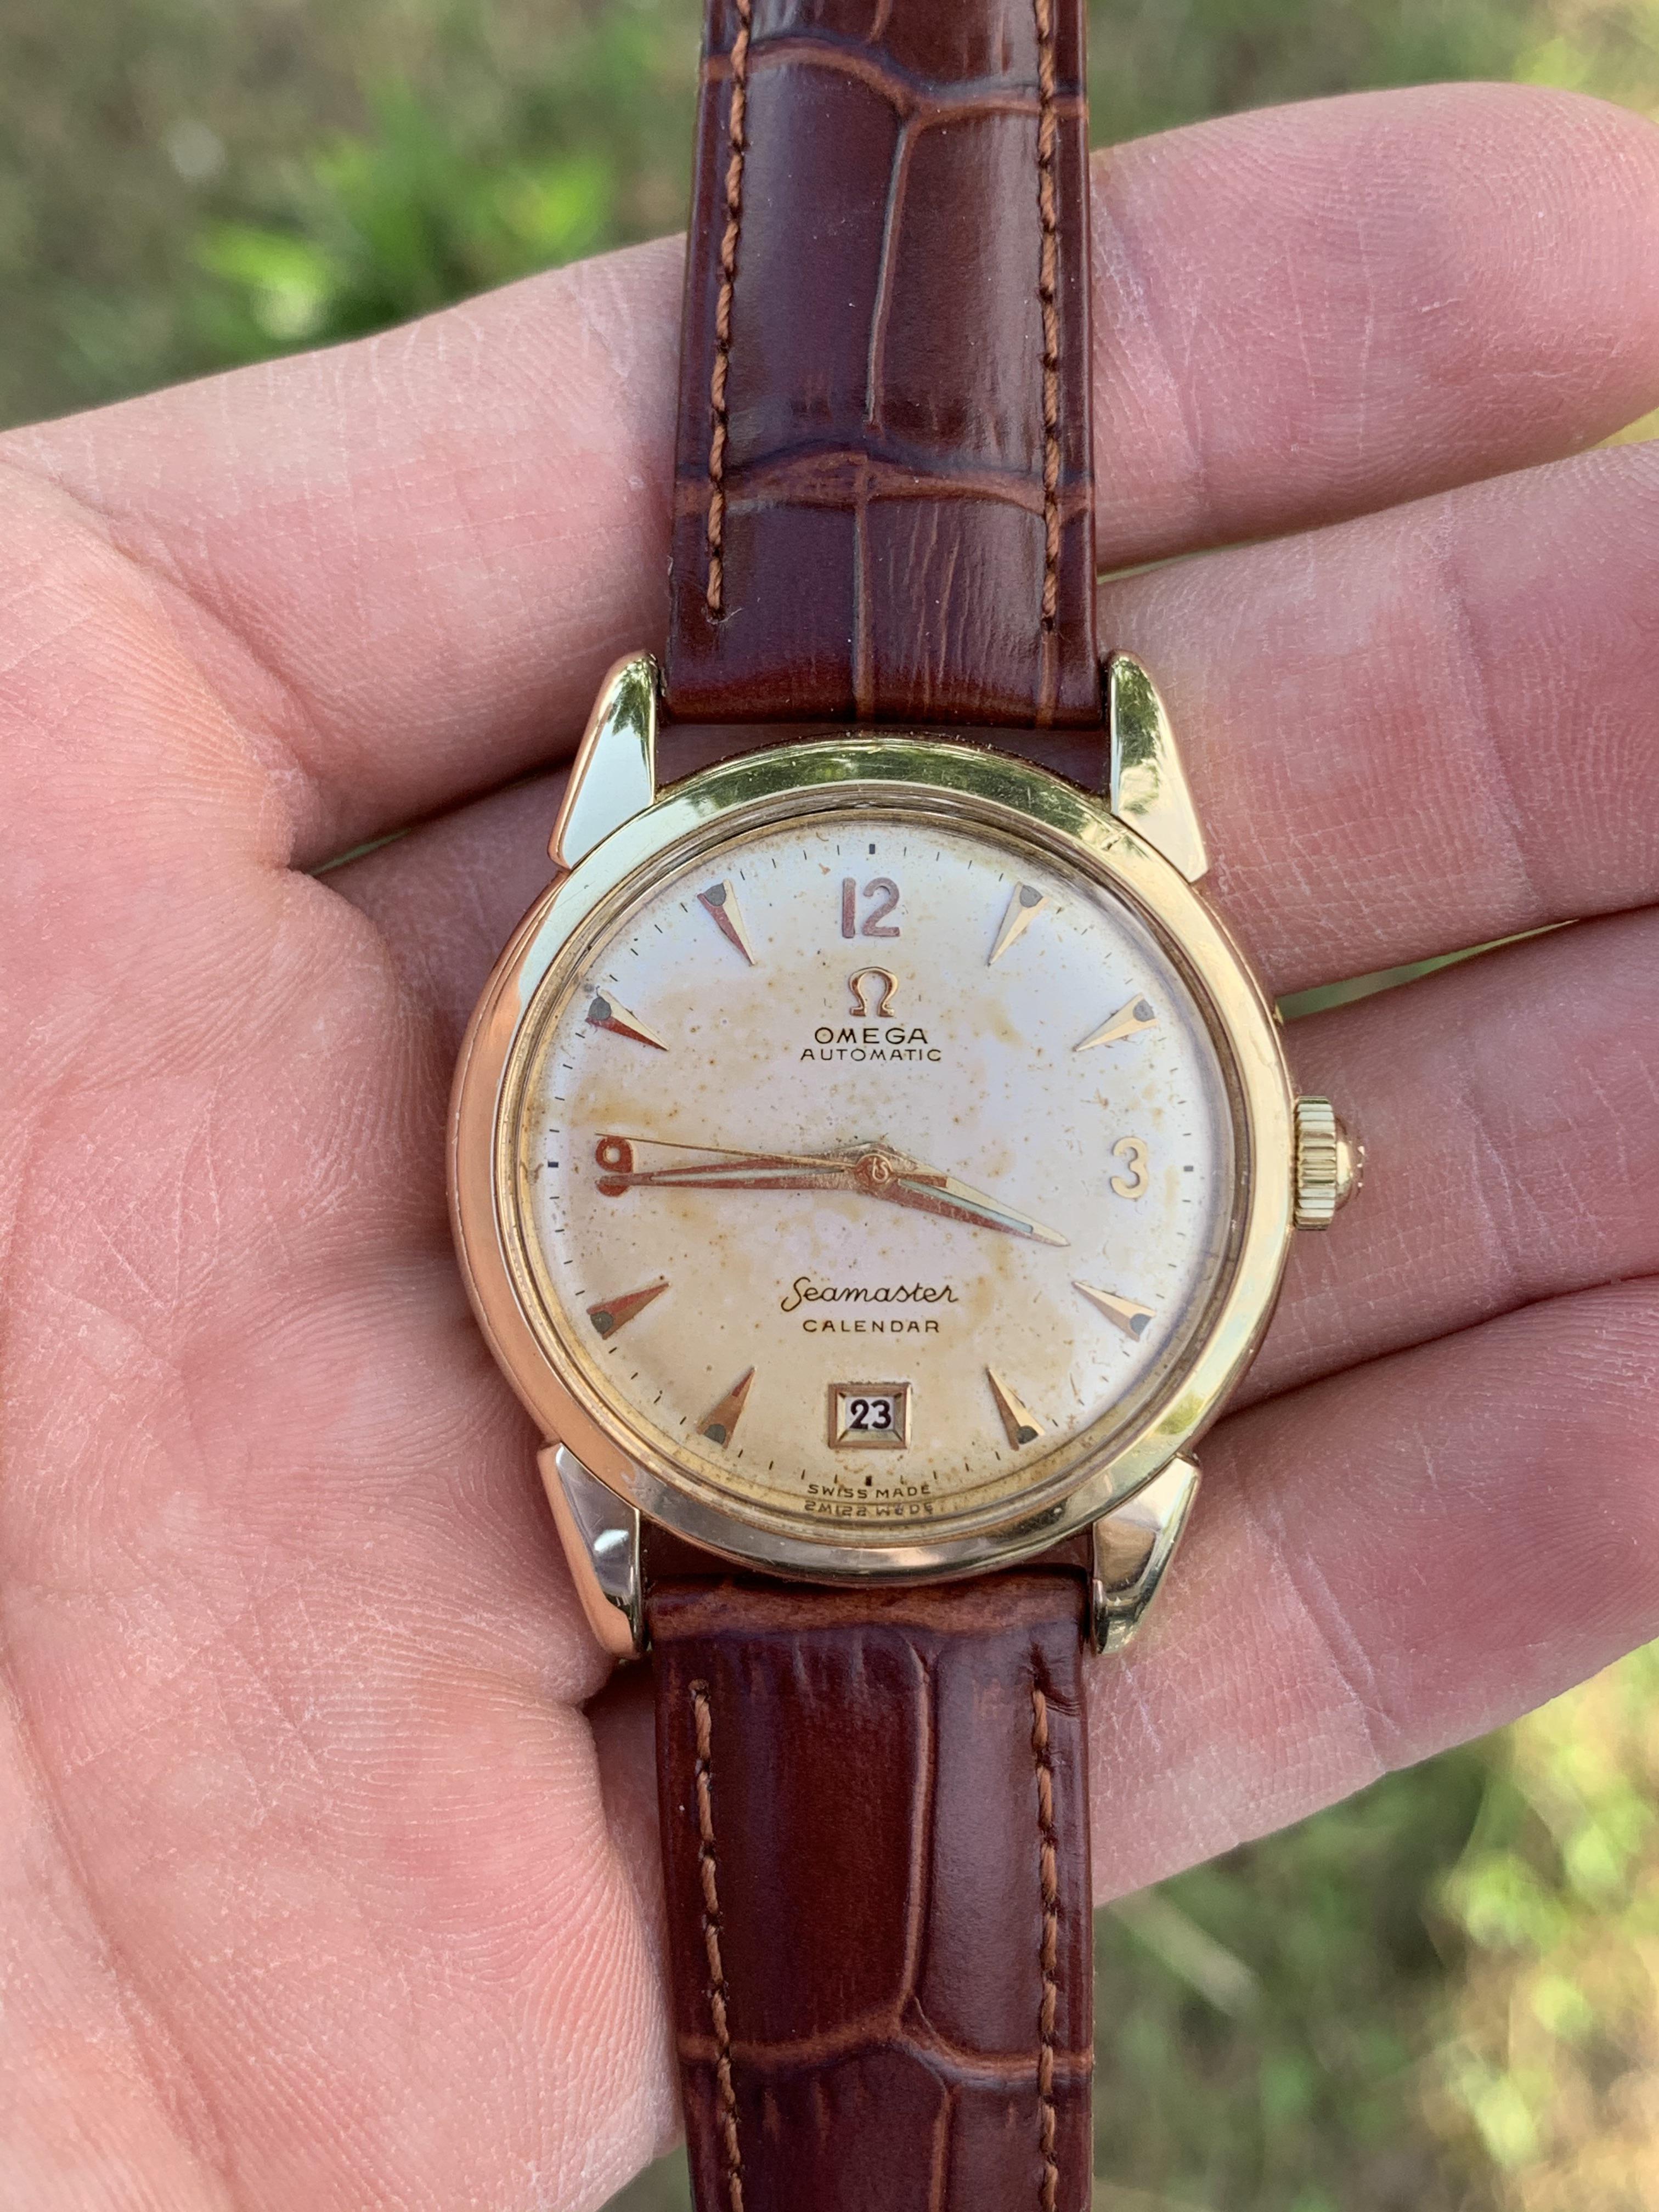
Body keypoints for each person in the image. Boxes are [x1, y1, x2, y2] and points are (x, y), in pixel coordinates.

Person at [1, 78, 1656, 2209]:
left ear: (1273, 1167)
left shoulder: (820, 876)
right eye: (854, 1169)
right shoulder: (654, 920)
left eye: (890, 1167)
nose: (879, 1176)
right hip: (756, 1465)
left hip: (862, 1460)